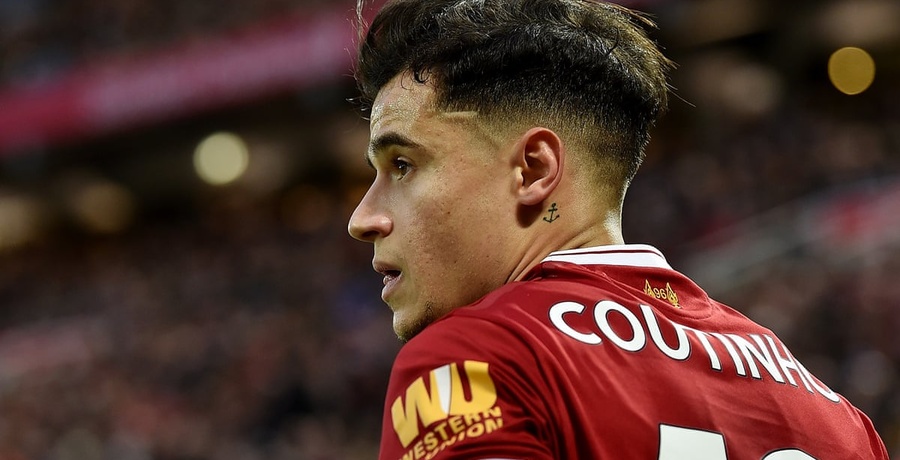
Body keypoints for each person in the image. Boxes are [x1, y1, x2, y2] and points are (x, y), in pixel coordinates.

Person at [347, 0, 890, 458]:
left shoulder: (478, 358)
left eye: (402, 165)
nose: (362, 219)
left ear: (533, 170)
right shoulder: (842, 422)